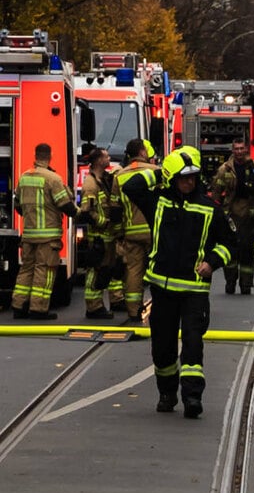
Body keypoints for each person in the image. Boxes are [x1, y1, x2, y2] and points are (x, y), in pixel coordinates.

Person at [122, 146, 235, 419]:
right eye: (183, 177)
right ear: (173, 178)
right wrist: (162, 171)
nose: (189, 181)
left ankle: (192, 396)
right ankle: (167, 392)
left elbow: (231, 243)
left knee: (194, 345)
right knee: (163, 348)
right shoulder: (157, 201)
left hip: (194, 291)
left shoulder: (210, 209)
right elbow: (130, 184)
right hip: (162, 291)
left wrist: (212, 262)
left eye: (193, 176)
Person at [11, 143, 80, 319]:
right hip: (48, 237)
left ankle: (19, 306)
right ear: (50, 156)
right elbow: (66, 206)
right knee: (45, 271)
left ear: (35, 155)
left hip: (28, 235)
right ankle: (38, 308)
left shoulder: (24, 177)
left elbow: (18, 205)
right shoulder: (53, 179)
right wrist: (82, 214)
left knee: (26, 269)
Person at [111, 138, 161, 322]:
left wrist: (119, 234)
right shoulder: (155, 172)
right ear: (142, 152)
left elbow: (115, 209)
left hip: (132, 233)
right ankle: (161, 308)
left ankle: (133, 311)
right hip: (155, 230)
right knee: (159, 270)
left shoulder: (119, 176)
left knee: (133, 271)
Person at [79, 146, 124, 319]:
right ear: (98, 160)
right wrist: (104, 223)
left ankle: (98, 305)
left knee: (105, 270)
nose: (109, 159)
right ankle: (93, 307)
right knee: (95, 271)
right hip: (99, 236)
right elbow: (86, 211)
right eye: (106, 156)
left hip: (108, 236)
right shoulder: (90, 183)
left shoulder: (104, 179)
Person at [212, 139, 254, 294]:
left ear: (246, 149)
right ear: (232, 150)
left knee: (247, 252)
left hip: (248, 215)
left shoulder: (253, 167)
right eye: (236, 149)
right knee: (231, 251)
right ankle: (230, 282)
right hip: (230, 215)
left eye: (241, 148)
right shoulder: (224, 170)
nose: (239, 151)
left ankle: (246, 285)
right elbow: (216, 194)